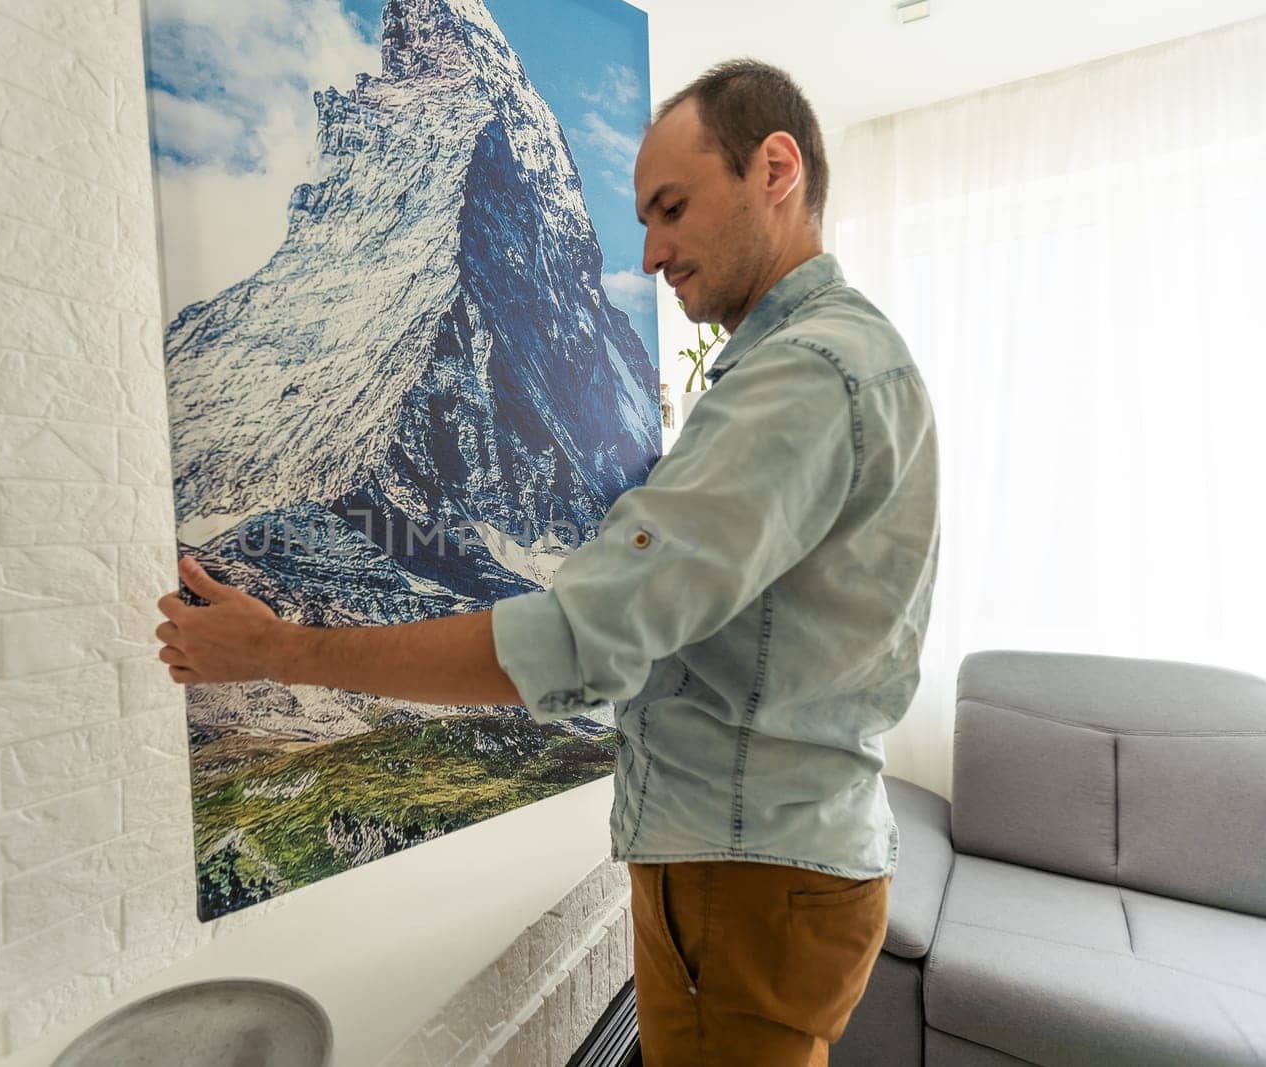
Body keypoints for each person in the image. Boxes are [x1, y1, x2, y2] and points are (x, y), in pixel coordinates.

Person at [155, 57, 940, 1067]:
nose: (650, 253)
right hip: (773, 860)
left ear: (774, 170)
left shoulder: (799, 377)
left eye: (671, 207)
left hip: (741, 874)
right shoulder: (848, 353)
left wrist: (280, 649)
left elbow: (579, 642)